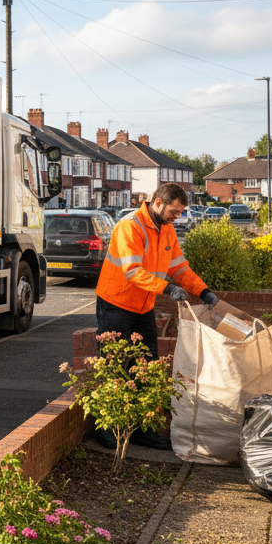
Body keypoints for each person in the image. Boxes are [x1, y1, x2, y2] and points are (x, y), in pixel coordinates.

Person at [96, 182, 218, 450]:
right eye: (175, 211)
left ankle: (141, 430)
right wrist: (167, 288)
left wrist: (203, 291)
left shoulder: (167, 230)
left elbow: (179, 267)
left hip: (142, 307)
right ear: (158, 203)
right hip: (116, 304)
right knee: (114, 365)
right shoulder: (131, 226)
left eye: (181, 212)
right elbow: (131, 271)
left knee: (147, 366)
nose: (178, 217)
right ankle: (107, 430)